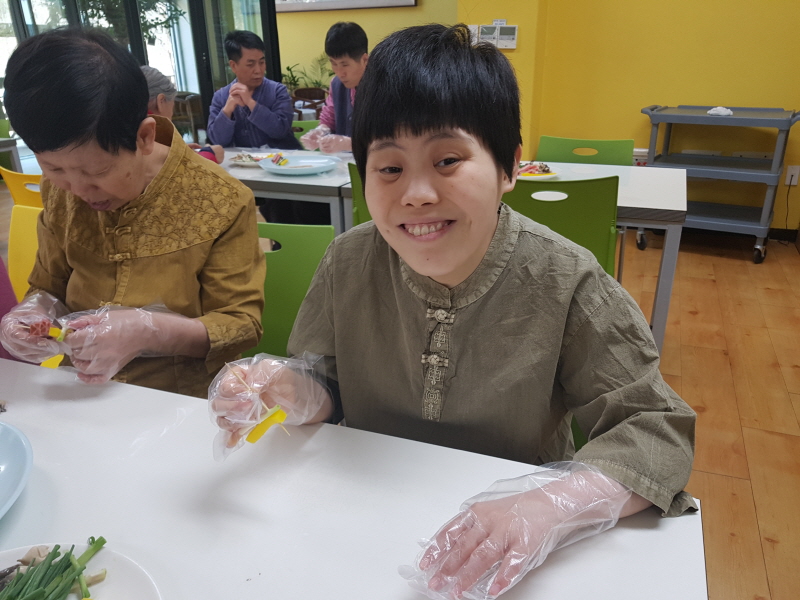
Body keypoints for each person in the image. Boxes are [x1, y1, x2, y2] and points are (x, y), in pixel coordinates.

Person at [210, 24, 696, 599]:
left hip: (513, 551)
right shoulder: (349, 260)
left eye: (447, 160)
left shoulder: (566, 279)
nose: (416, 193)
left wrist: (549, 506)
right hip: (359, 521)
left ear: (508, 168)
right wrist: (286, 388)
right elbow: (327, 379)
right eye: (389, 168)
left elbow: (654, 427)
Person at [0, 28, 265, 398]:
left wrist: (148, 331)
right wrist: (33, 312)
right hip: (78, 392)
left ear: (144, 137)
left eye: (96, 172)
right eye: (54, 168)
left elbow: (241, 325)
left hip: (180, 400)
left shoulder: (220, 199)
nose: (77, 190)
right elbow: (49, 285)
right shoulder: (60, 192)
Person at [207, 30, 301, 151]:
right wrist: (227, 110)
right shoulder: (221, 97)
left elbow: (280, 131)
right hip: (243, 159)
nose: (258, 70)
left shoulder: (277, 91)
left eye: (262, 62)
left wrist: (250, 103)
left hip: (282, 158)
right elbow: (218, 141)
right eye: (250, 64)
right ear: (234, 66)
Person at [301, 21, 368, 154]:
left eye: (345, 64)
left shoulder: (383, 86)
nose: (339, 72)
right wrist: (321, 131)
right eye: (334, 63)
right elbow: (329, 116)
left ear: (364, 60)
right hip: (344, 161)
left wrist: (349, 143)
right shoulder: (336, 84)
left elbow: (391, 138)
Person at [141, 65, 224, 163]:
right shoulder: (145, 130)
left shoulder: (131, 124)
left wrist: (176, 153)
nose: (172, 115)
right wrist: (209, 154)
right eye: (172, 106)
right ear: (161, 101)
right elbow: (164, 169)